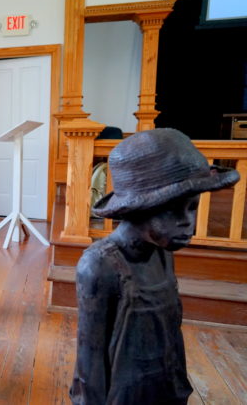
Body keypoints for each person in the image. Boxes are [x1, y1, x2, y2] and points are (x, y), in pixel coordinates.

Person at [70, 128, 240, 404]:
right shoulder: (101, 264)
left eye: (192, 207)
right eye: (174, 211)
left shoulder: (162, 251)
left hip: (167, 384)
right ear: (140, 208)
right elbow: (90, 357)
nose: (189, 222)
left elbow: (170, 328)